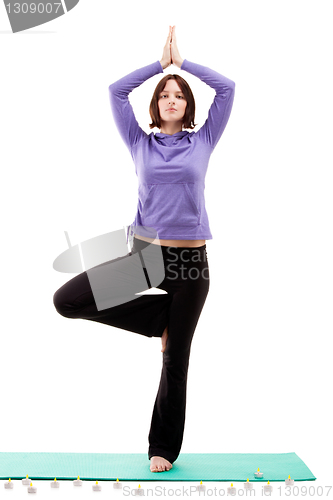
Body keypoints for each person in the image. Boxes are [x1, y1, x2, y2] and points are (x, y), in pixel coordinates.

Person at [53, 25, 235, 473]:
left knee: (176, 363)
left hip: (191, 263)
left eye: (179, 94)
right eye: (164, 94)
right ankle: (159, 320)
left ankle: (163, 449)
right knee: (68, 301)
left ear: (188, 105)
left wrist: (184, 63)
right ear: (155, 105)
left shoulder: (203, 140)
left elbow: (227, 89)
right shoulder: (139, 141)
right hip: (146, 256)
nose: (171, 98)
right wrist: (159, 65)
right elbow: (116, 92)